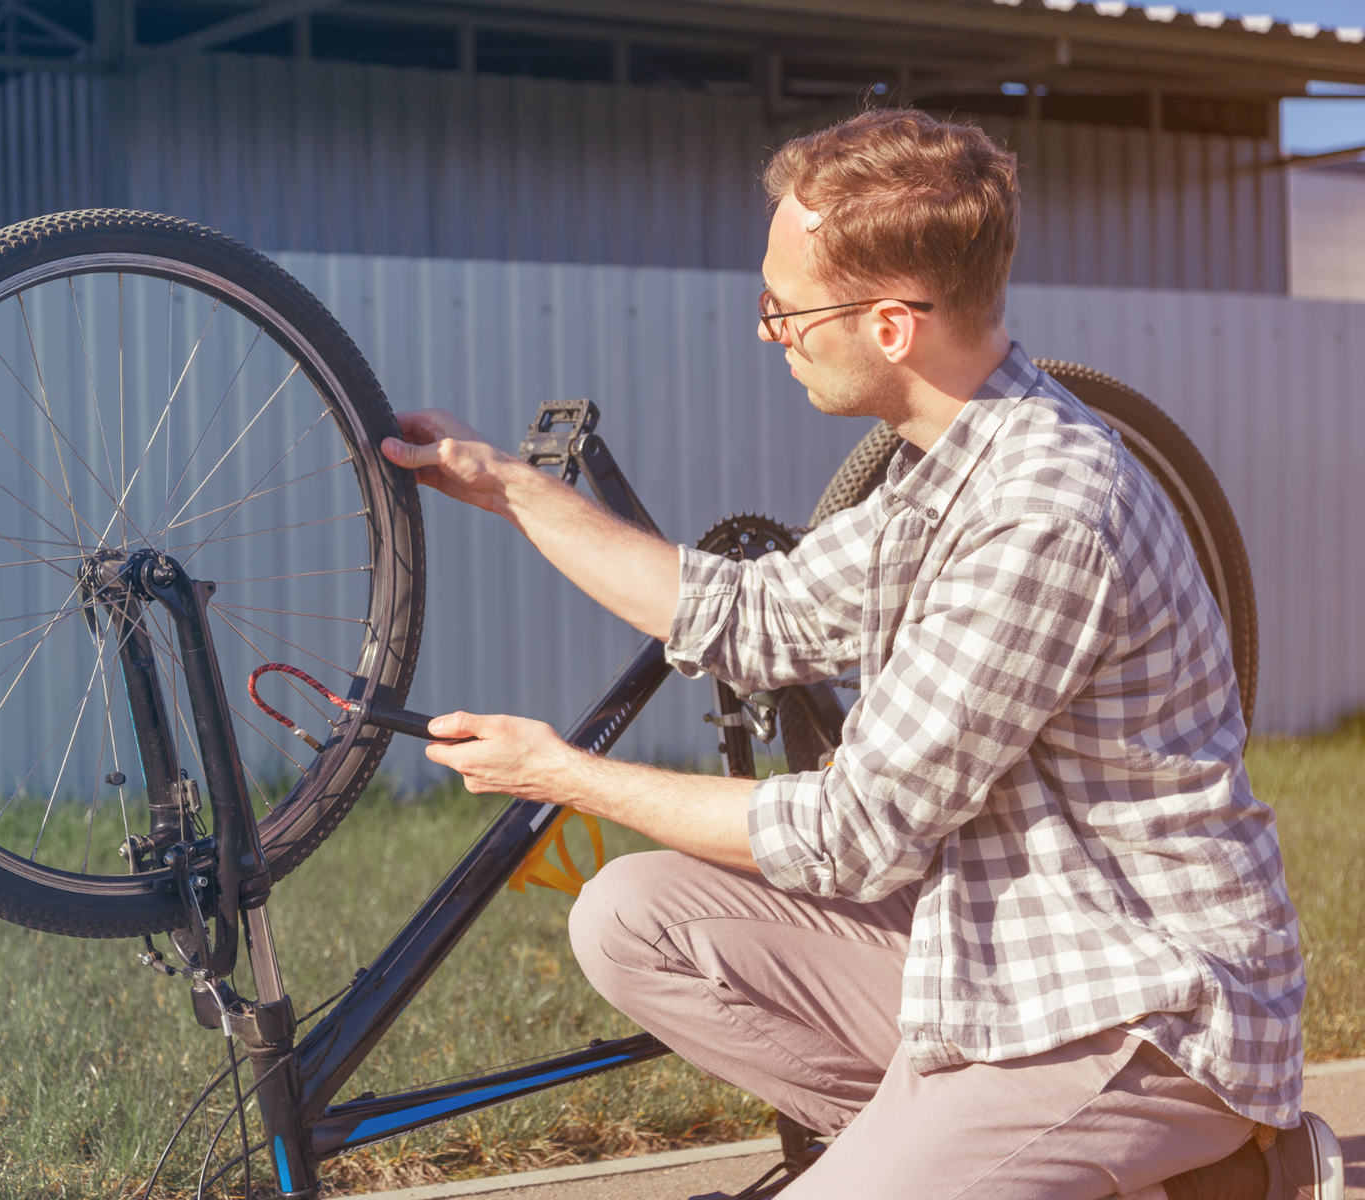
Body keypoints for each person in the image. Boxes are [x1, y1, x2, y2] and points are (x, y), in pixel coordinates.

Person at [377, 109, 1340, 1200]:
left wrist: (561, 776)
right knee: (631, 917)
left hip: (1135, 1004)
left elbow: (847, 835)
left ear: (890, 327)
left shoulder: (1045, 512)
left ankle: (1213, 1160)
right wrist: (508, 488)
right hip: (992, 947)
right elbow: (749, 614)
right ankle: (1019, 1166)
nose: (767, 332)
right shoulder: (943, 469)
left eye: (781, 308)